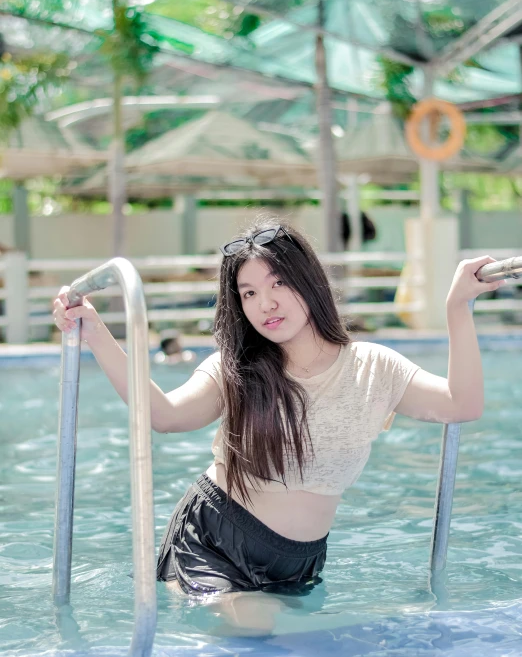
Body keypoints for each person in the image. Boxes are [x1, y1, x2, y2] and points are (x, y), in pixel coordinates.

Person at [52, 219, 504, 630]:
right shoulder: (235, 368)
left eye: (278, 283)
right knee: (282, 631)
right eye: (248, 293)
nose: (264, 303)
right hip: (215, 542)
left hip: (299, 563)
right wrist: (95, 332)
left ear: (309, 282)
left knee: (299, 651)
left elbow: (462, 404)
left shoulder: (373, 368)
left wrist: (457, 308)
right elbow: (165, 415)